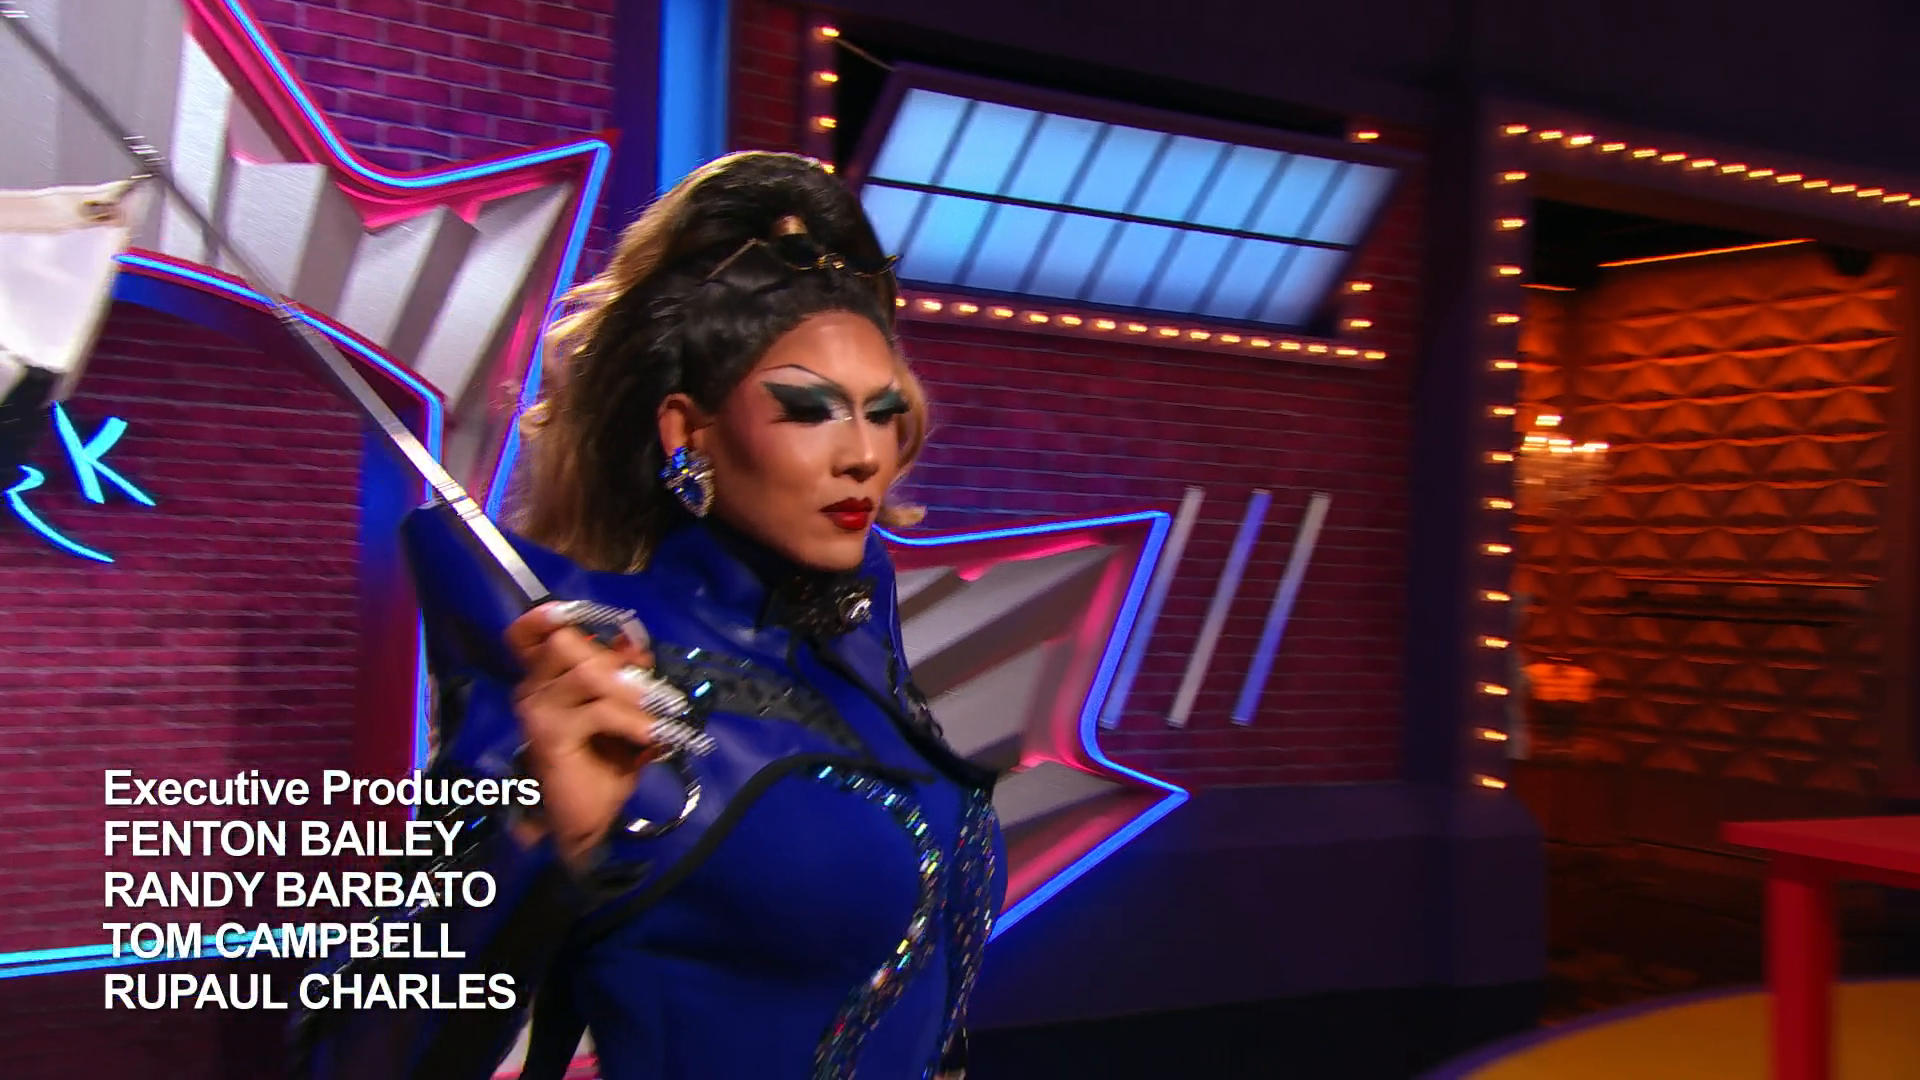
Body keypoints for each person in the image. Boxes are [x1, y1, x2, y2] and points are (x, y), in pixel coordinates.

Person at [297, 151, 1004, 1080]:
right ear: (686, 431)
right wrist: (537, 842)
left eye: (881, 413)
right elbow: (350, 1059)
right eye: (811, 410)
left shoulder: (856, 641)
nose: (864, 455)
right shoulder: (581, 668)